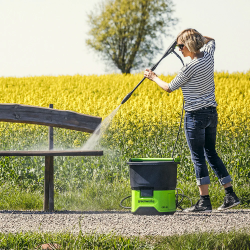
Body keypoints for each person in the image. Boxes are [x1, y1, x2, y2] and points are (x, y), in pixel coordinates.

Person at [144, 28, 240, 212]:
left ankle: (204, 201)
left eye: (181, 46)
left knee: (198, 158)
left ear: (189, 45)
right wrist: (194, 37)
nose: (179, 49)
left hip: (195, 117)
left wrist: (153, 77)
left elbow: (169, 87)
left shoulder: (189, 67)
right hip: (212, 114)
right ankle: (230, 195)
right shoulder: (209, 57)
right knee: (211, 153)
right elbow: (211, 41)